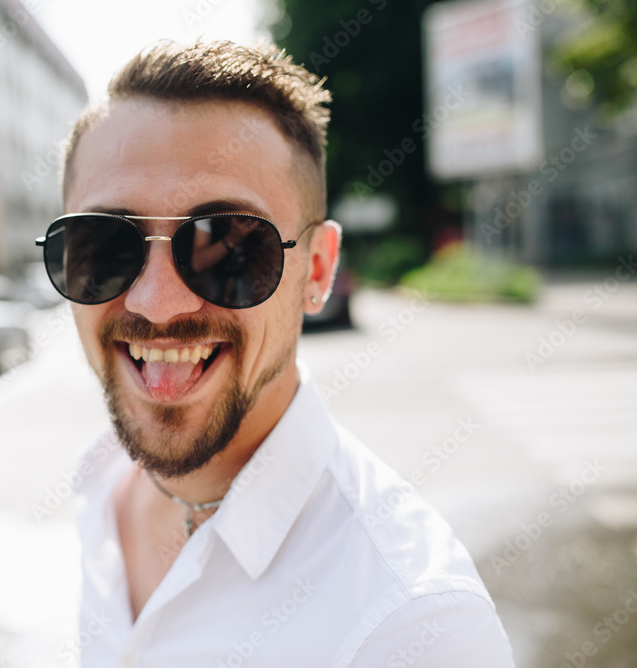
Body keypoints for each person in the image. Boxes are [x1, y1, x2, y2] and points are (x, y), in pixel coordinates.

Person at [35, 40, 516, 666]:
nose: (156, 304)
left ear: (316, 270)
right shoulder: (102, 480)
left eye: (229, 246)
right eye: (106, 244)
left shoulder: (411, 622)